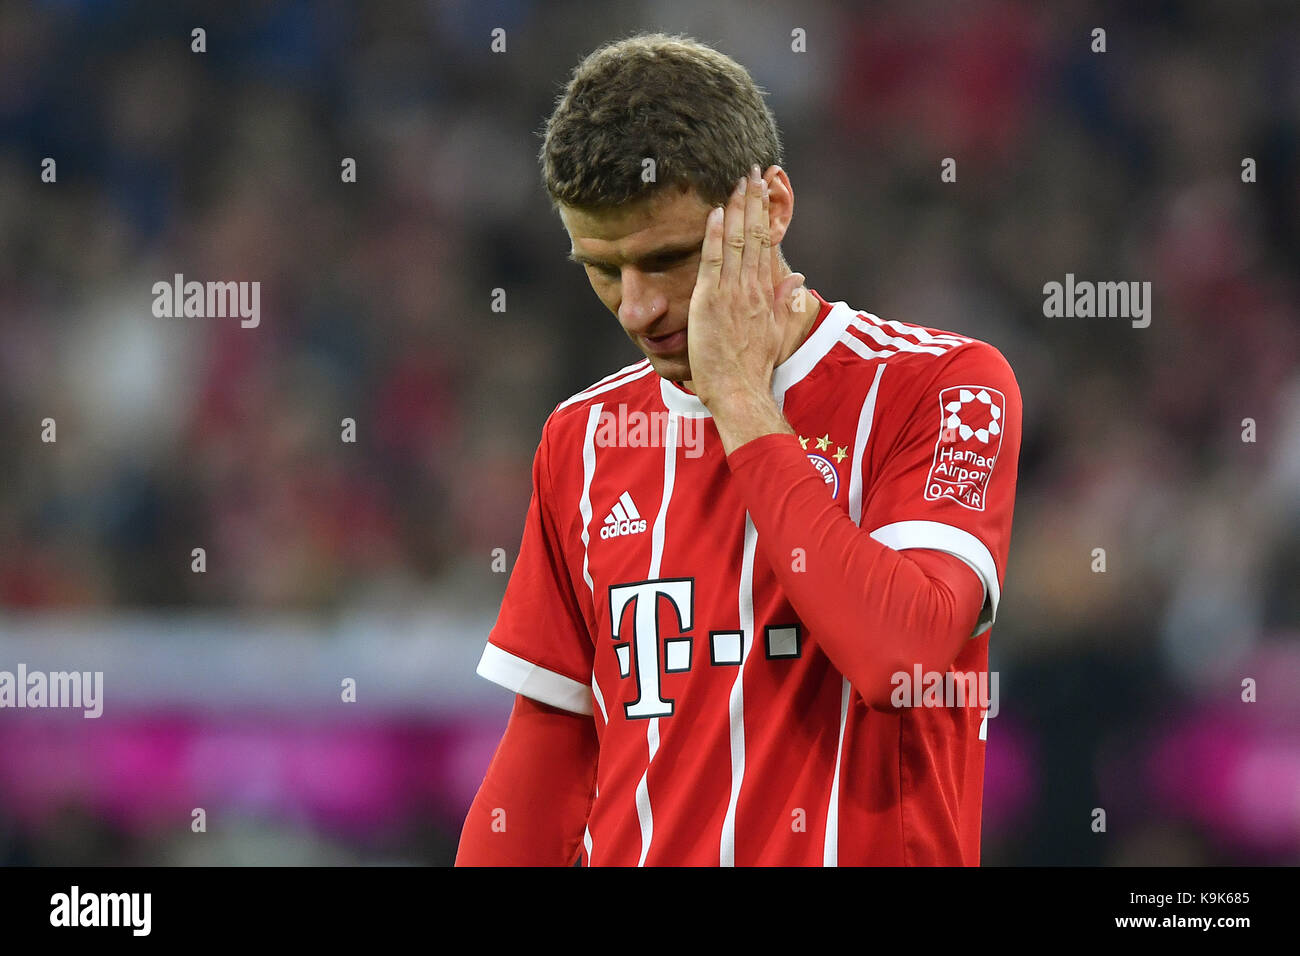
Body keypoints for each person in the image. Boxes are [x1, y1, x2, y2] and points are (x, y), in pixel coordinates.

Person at [456, 32, 1021, 866]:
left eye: (670, 258)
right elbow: (550, 754)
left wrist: (742, 401)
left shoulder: (944, 387)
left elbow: (899, 656)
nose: (637, 310)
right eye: (604, 269)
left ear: (773, 206)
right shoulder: (581, 442)